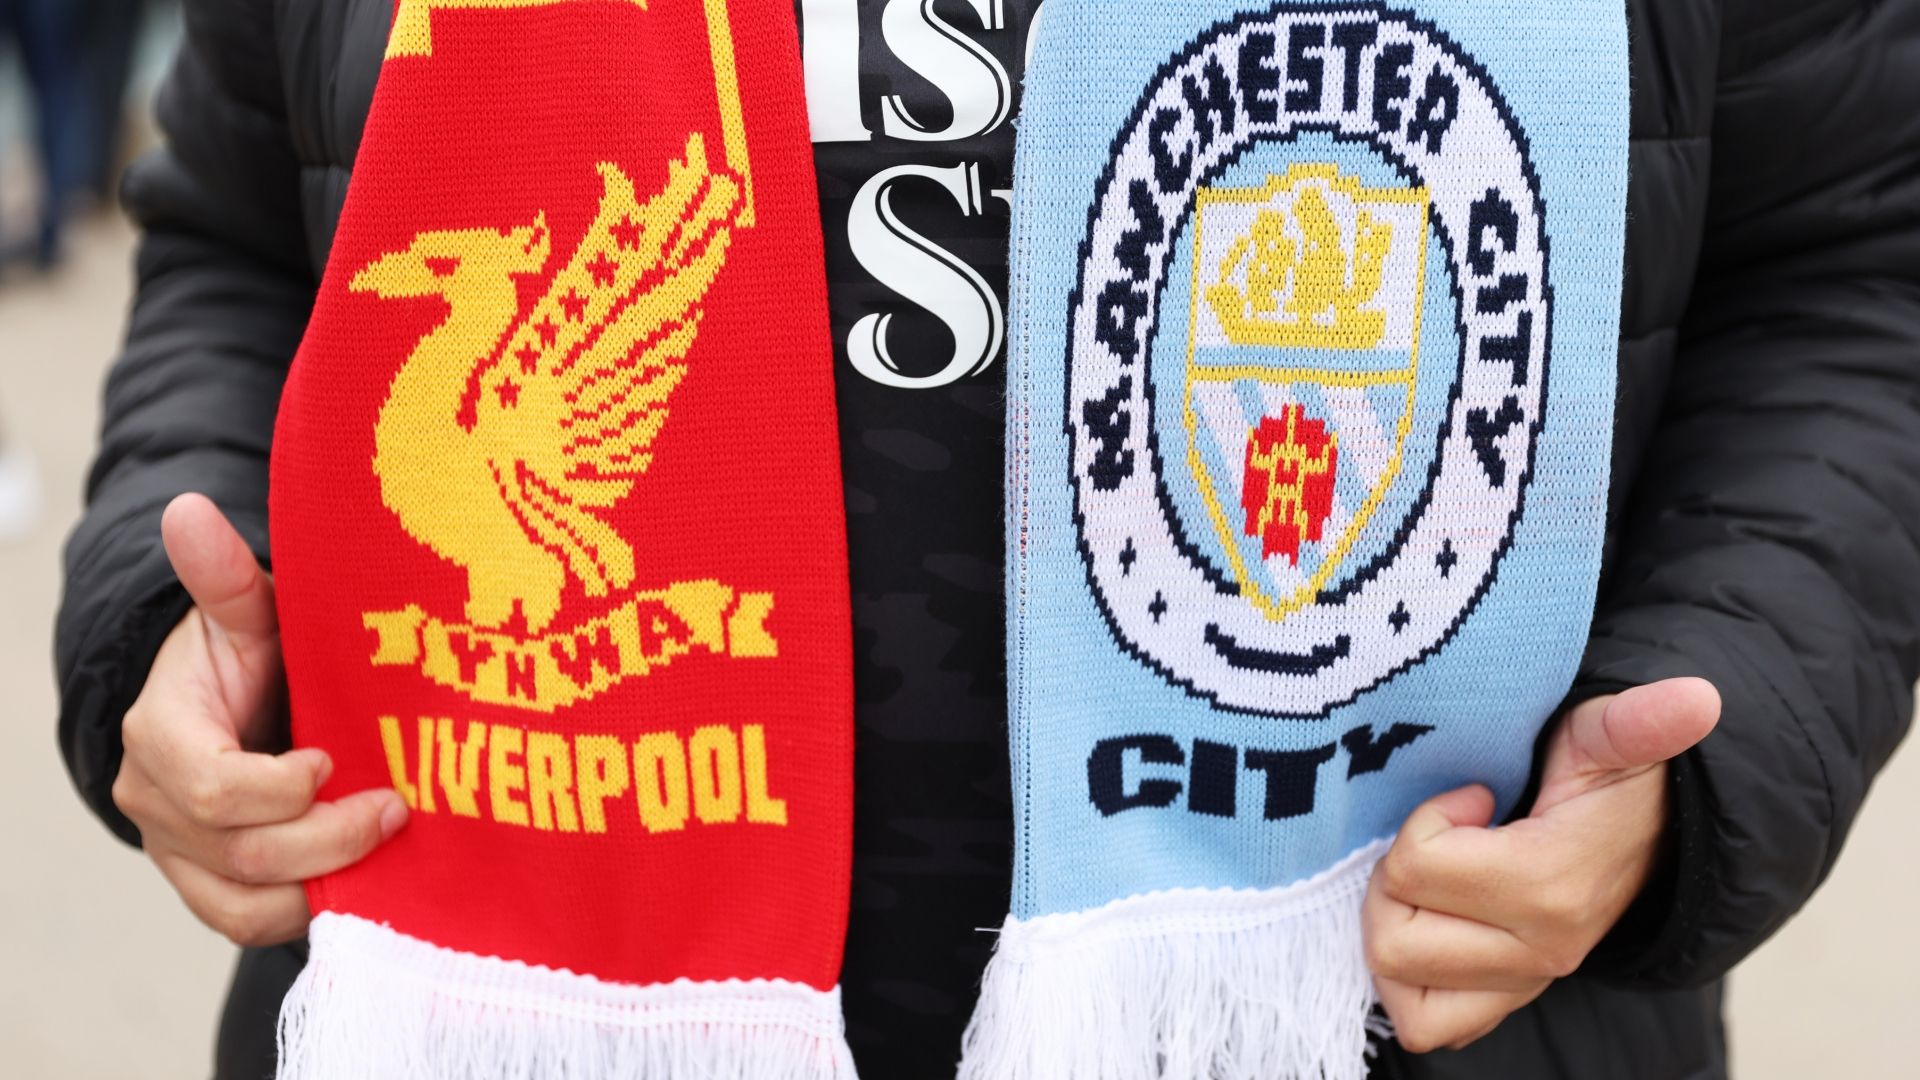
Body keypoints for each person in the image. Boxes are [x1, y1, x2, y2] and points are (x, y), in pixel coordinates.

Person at [54, 2, 1920, 1078]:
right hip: (508, 978)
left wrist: (1703, 751)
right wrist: (166, 623)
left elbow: (1853, 258)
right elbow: (238, 228)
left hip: (1380, 1001)